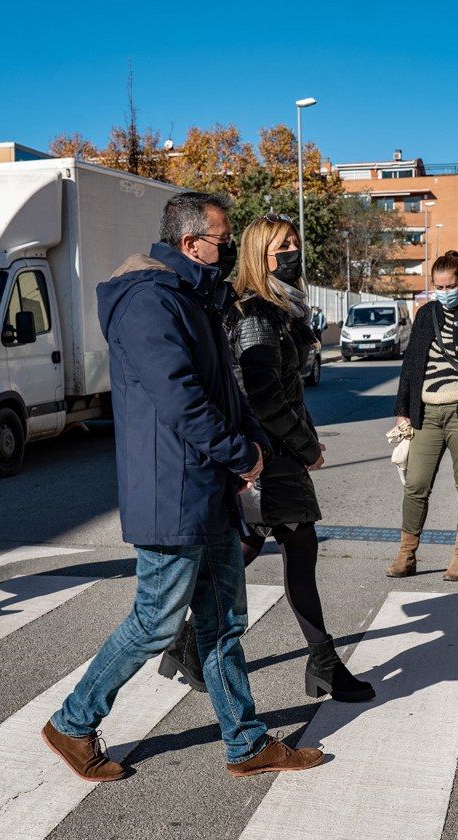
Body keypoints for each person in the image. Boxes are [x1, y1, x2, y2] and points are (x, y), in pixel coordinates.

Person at [41, 193, 324, 782]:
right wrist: (237, 450)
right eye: (222, 240)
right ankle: (72, 723)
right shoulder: (150, 301)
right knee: (157, 621)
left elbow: (226, 389)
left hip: (207, 487)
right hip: (172, 489)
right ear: (191, 243)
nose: (227, 251)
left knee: (222, 620)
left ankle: (245, 743)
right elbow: (181, 401)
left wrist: (252, 444)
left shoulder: (192, 296)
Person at [160, 216, 374, 703]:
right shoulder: (257, 312)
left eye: (296, 242)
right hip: (271, 453)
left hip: (270, 451)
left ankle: (186, 637)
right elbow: (263, 394)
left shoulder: (277, 306)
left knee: (253, 543)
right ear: (260, 253)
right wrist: (305, 446)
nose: (294, 251)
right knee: (296, 549)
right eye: (284, 245)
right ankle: (321, 663)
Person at [388, 251, 458, 581]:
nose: (444, 291)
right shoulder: (426, 313)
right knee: (416, 484)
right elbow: (411, 366)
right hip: (426, 414)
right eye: (438, 285)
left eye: (450, 285)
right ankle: (406, 553)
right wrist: (403, 411)